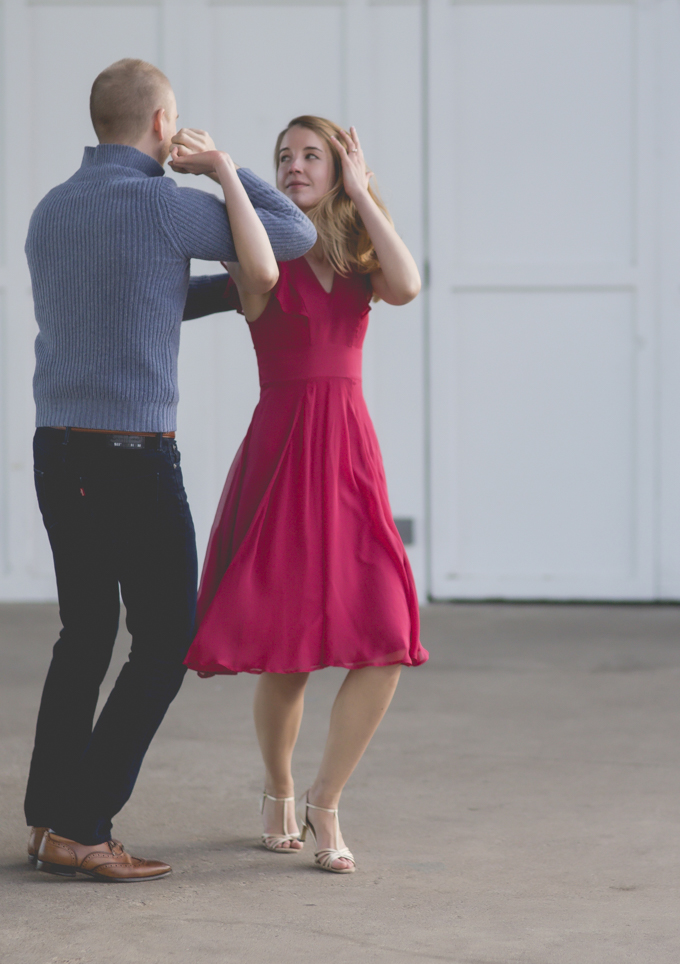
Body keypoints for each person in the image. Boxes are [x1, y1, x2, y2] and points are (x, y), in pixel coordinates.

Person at [22, 59, 317, 883]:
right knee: (163, 642)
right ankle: (86, 826)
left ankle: (49, 821)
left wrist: (220, 295)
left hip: (58, 450)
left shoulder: (53, 210)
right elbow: (292, 236)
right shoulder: (160, 202)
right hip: (133, 457)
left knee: (83, 634)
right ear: (161, 126)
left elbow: (129, 296)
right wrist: (223, 166)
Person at [173, 116, 428, 873]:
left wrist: (364, 191)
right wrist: (226, 172)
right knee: (289, 654)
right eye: (283, 157)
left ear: (339, 166)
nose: (293, 166)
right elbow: (248, 264)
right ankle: (279, 791)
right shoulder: (261, 260)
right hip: (283, 455)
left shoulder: (359, 264)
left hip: (348, 454)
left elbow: (408, 284)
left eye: (310, 155)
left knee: (385, 637)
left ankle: (326, 800)